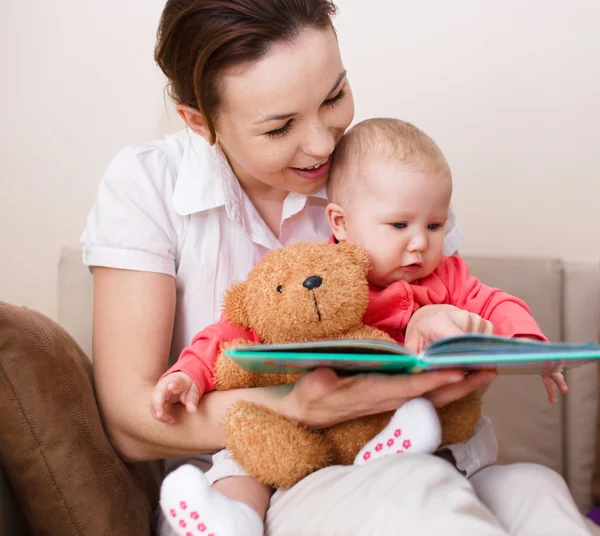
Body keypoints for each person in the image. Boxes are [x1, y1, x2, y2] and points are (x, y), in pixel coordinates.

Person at [81, 0, 590, 534]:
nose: (324, 143)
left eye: (334, 97)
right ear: (198, 122)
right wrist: (297, 405)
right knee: (417, 492)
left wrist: (450, 346)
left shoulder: (379, 173)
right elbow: (133, 423)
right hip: (253, 477)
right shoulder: (148, 186)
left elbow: (455, 299)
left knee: (538, 491)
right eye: (279, 128)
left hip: (417, 446)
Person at [153, 118, 571, 536]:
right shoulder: (318, 276)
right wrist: (188, 372)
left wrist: (528, 346)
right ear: (340, 223)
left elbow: (497, 303)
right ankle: (232, 519)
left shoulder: (446, 277)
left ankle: (408, 450)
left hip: (428, 439)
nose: (420, 243)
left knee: (532, 478)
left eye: (435, 225)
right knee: (244, 456)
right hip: (325, 442)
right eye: (399, 225)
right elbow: (234, 327)